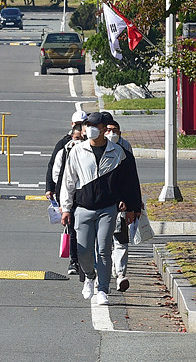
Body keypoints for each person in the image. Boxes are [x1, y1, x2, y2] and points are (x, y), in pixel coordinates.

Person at [60, 112, 142, 306]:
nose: (90, 129)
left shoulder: (118, 152)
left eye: (95, 125)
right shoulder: (77, 151)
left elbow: (129, 182)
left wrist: (131, 207)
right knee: (84, 251)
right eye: (88, 125)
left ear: (105, 129)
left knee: (104, 249)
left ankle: (103, 289)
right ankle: (89, 276)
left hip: (108, 209)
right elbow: (68, 181)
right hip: (83, 208)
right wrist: (66, 208)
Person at [46, 123, 84, 276]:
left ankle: (88, 261)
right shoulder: (64, 151)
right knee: (72, 230)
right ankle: (74, 260)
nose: (79, 142)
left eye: (82, 138)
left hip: (86, 197)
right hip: (69, 197)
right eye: (76, 138)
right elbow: (56, 174)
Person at [104, 115, 136, 293]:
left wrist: (134, 204)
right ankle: (102, 276)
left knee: (121, 240)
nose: (111, 134)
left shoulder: (125, 148)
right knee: (104, 242)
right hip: (102, 204)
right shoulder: (94, 148)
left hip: (121, 205)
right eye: (108, 130)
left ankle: (121, 274)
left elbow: (131, 178)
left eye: (115, 131)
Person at [47, 111, 88, 188]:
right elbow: (53, 165)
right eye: (77, 123)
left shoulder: (92, 142)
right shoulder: (64, 143)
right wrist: (50, 188)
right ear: (72, 124)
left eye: (81, 124)